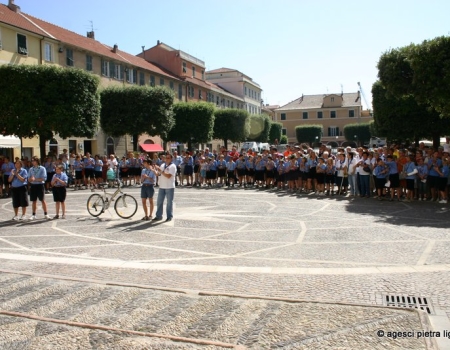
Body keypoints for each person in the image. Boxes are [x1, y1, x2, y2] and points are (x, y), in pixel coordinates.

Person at [153, 154, 177, 222]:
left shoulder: (173, 166)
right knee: (159, 202)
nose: (167, 159)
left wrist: (160, 170)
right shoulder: (163, 165)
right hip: (162, 186)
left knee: (169, 202)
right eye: (166, 158)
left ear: (171, 159)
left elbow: (168, 176)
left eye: (168, 158)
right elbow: (158, 174)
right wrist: (154, 170)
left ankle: (169, 216)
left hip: (169, 186)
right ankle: (159, 216)